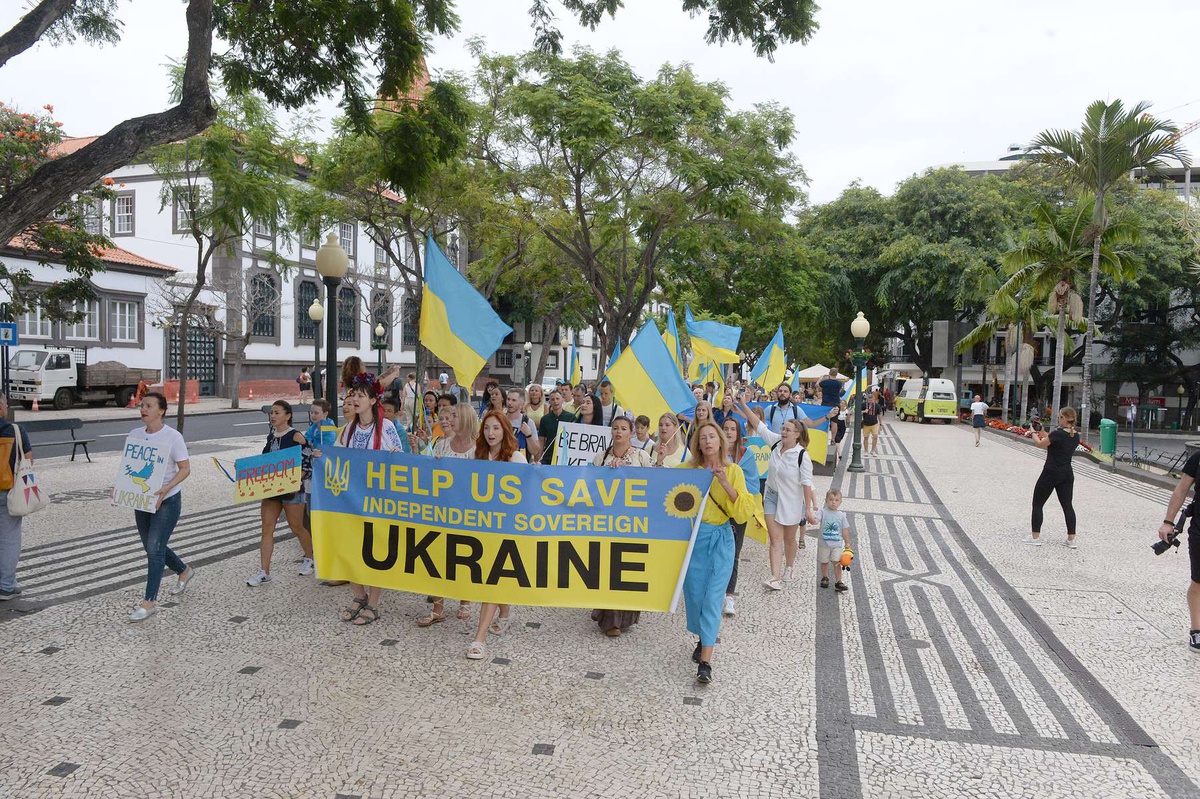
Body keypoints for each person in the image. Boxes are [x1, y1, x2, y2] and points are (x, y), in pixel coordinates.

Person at [330, 374, 406, 625]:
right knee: (350, 547)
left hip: (377, 500)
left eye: (362, 395)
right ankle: (358, 594)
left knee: (373, 551)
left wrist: (394, 457)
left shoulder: (385, 427)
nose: (356, 399)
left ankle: (373, 602)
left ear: (373, 400)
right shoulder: (348, 430)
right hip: (352, 500)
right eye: (354, 395)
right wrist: (322, 458)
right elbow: (336, 458)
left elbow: (399, 459)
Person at [682, 420, 754, 683]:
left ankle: (706, 664)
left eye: (712, 437)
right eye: (703, 438)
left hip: (721, 540)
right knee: (696, 598)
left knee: (713, 599)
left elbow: (744, 510)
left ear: (721, 441)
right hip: (694, 543)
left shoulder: (734, 471)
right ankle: (704, 638)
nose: (708, 441)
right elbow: (657, 481)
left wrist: (725, 483)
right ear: (698, 444)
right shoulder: (688, 470)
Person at [126, 392, 195, 622]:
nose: (143, 409)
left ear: (161, 411)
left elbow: (185, 468)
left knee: (155, 547)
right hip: (143, 500)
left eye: (149, 406)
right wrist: (120, 487)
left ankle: (149, 602)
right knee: (151, 546)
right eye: (142, 405)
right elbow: (130, 466)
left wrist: (167, 487)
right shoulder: (135, 434)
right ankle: (184, 570)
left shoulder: (172, 437)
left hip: (167, 500)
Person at [467, 410, 527, 659]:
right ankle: (504, 613)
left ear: (505, 431)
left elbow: (527, 493)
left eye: (496, 428)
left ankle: (479, 639)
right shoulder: (477, 455)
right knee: (492, 578)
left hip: (506, 530)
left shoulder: (516, 458)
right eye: (487, 428)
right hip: (481, 528)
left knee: (490, 581)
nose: (491, 433)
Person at [740, 397, 818, 589]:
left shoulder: (802, 456)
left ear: (797, 435)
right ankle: (774, 577)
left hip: (792, 501)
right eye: (782, 428)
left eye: (787, 430)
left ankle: (789, 566)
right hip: (772, 496)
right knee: (775, 539)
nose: (783, 432)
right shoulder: (775, 442)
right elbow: (759, 426)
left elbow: (807, 484)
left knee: (789, 539)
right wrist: (743, 404)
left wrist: (807, 509)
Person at [590, 416, 652, 636]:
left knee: (625, 568)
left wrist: (629, 472)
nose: (618, 432)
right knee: (607, 567)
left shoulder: (641, 456)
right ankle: (608, 617)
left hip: (632, 523)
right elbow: (590, 487)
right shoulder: (600, 457)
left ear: (631, 432)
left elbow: (653, 484)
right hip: (606, 522)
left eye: (623, 428)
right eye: (615, 428)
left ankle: (622, 617)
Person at [420, 403, 478, 627]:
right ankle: (438, 607)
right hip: (442, 511)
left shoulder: (478, 448)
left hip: (468, 514)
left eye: (454, 415)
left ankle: (465, 600)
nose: (449, 419)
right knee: (437, 557)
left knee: (465, 558)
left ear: (465, 418)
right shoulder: (442, 445)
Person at [247, 400, 315, 586]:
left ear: (288, 415)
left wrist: (293, 480)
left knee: (296, 526)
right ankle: (264, 571)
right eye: (271, 413)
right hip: (271, 489)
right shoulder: (271, 437)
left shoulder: (296, 437)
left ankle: (310, 557)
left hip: (292, 490)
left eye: (277, 412)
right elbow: (264, 460)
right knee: (267, 528)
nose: (273, 416)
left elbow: (307, 465)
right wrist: (246, 469)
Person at [1158, 447, 1200, 652]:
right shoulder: (1197, 459)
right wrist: (1168, 522)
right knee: (1198, 581)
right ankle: (1197, 630)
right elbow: (1181, 490)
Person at [721, 416, 760, 616]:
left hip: (737, 511)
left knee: (733, 554)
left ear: (739, 434)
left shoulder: (747, 456)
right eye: (725, 428)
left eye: (732, 429)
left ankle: (728, 596)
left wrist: (732, 484)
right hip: (716, 510)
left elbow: (753, 485)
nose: (729, 432)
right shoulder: (712, 454)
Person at [1025, 407, 1079, 548]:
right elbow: (1055, 442)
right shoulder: (1075, 435)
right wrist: (1042, 432)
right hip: (1067, 473)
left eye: (1060, 417)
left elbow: (1040, 444)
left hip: (1050, 472)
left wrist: (1032, 432)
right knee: (1067, 506)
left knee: (1037, 504)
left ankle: (1035, 538)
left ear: (1064, 419)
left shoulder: (1057, 434)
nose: (1058, 419)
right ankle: (1071, 539)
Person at [0, 393, 32, 602]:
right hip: (7, 491)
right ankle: (6, 586)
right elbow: (28, 460)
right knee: (9, 539)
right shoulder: (16, 431)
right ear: (2, 407)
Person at [817, 489, 851, 592]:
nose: (833, 502)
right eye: (831, 499)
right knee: (824, 562)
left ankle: (838, 581)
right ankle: (825, 577)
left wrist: (847, 543)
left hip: (837, 544)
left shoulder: (841, 515)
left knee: (837, 562)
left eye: (836, 500)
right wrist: (811, 518)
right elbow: (816, 519)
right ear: (826, 500)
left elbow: (845, 530)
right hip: (824, 543)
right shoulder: (822, 512)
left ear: (840, 502)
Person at [537, 389, 576, 464]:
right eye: (552, 399)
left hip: (565, 457)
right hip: (548, 457)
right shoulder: (545, 419)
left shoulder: (571, 417)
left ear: (562, 400)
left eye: (557, 398)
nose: (555, 401)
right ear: (550, 402)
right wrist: (538, 459)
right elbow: (541, 440)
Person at [505, 387, 542, 462]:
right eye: (508, 399)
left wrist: (528, 435)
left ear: (521, 405)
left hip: (521, 467)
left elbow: (535, 451)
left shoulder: (528, 422)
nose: (509, 403)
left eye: (514, 400)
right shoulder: (500, 419)